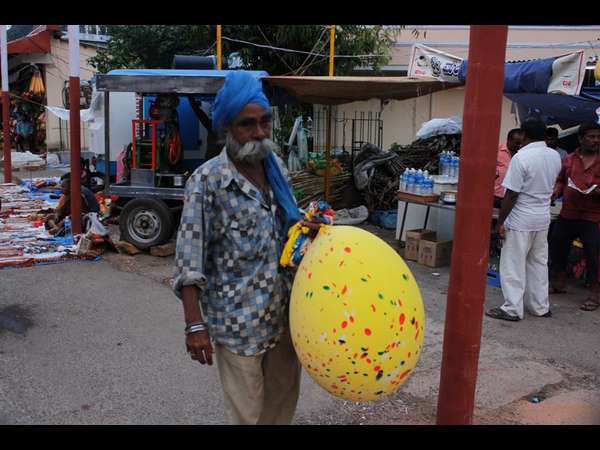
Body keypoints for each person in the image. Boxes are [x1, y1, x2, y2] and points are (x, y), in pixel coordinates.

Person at [172, 71, 304, 425]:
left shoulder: (278, 171)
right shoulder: (207, 181)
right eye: (247, 124)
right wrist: (193, 325)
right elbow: (189, 257)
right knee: (247, 416)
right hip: (237, 323)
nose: (259, 133)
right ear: (227, 128)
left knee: (280, 412)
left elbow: (292, 234)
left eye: (264, 122)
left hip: (285, 319)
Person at [486, 118, 562, 321]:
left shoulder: (521, 158)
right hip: (542, 217)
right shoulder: (554, 156)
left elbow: (511, 194)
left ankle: (512, 308)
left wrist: (501, 222)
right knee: (538, 263)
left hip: (521, 218)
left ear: (524, 135)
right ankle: (540, 306)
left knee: (513, 264)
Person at [550, 121, 600, 312]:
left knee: (593, 253)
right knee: (557, 244)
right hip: (569, 212)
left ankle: (594, 292)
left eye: (598, 137)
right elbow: (561, 180)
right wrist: (556, 190)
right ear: (581, 139)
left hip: (592, 215)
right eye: (591, 136)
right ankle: (558, 282)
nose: (595, 140)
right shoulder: (570, 159)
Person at [494, 128, 523, 208]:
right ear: (509, 140)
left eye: (521, 143)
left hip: (512, 197)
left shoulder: (522, 155)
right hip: (495, 196)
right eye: (517, 143)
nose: (519, 146)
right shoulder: (496, 151)